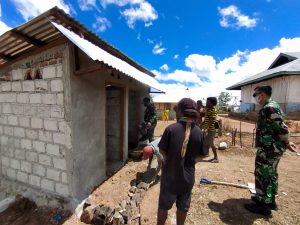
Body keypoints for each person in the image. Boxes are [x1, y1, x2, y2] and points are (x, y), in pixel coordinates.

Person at [244, 85, 298, 217]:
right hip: (271, 147)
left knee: (263, 174)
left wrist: (287, 141)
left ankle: (263, 206)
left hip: (269, 148)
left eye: (255, 95)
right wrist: (286, 142)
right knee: (271, 173)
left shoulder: (270, 108)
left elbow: (281, 128)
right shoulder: (271, 106)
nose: (255, 98)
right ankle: (269, 200)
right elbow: (280, 127)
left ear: (262, 94)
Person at [156, 98, 206, 225]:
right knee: (183, 208)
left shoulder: (171, 129)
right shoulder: (199, 132)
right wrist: (190, 160)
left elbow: (162, 151)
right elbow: (203, 155)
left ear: (181, 112)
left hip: (170, 178)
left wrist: (173, 158)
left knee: (163, 207)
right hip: (187, 180)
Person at [203, 97, 218, 163]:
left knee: (212, 143)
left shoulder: (213, 111)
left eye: (207, 102)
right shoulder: (208, 110)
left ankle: (216, 158)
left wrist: (206, 129)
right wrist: (201, 124)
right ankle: (207, 153)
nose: (206, 103)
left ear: (212, 103)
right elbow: (206, 119)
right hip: (208, 129)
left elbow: (211, 121)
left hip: (211, 129)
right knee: (206, 142)